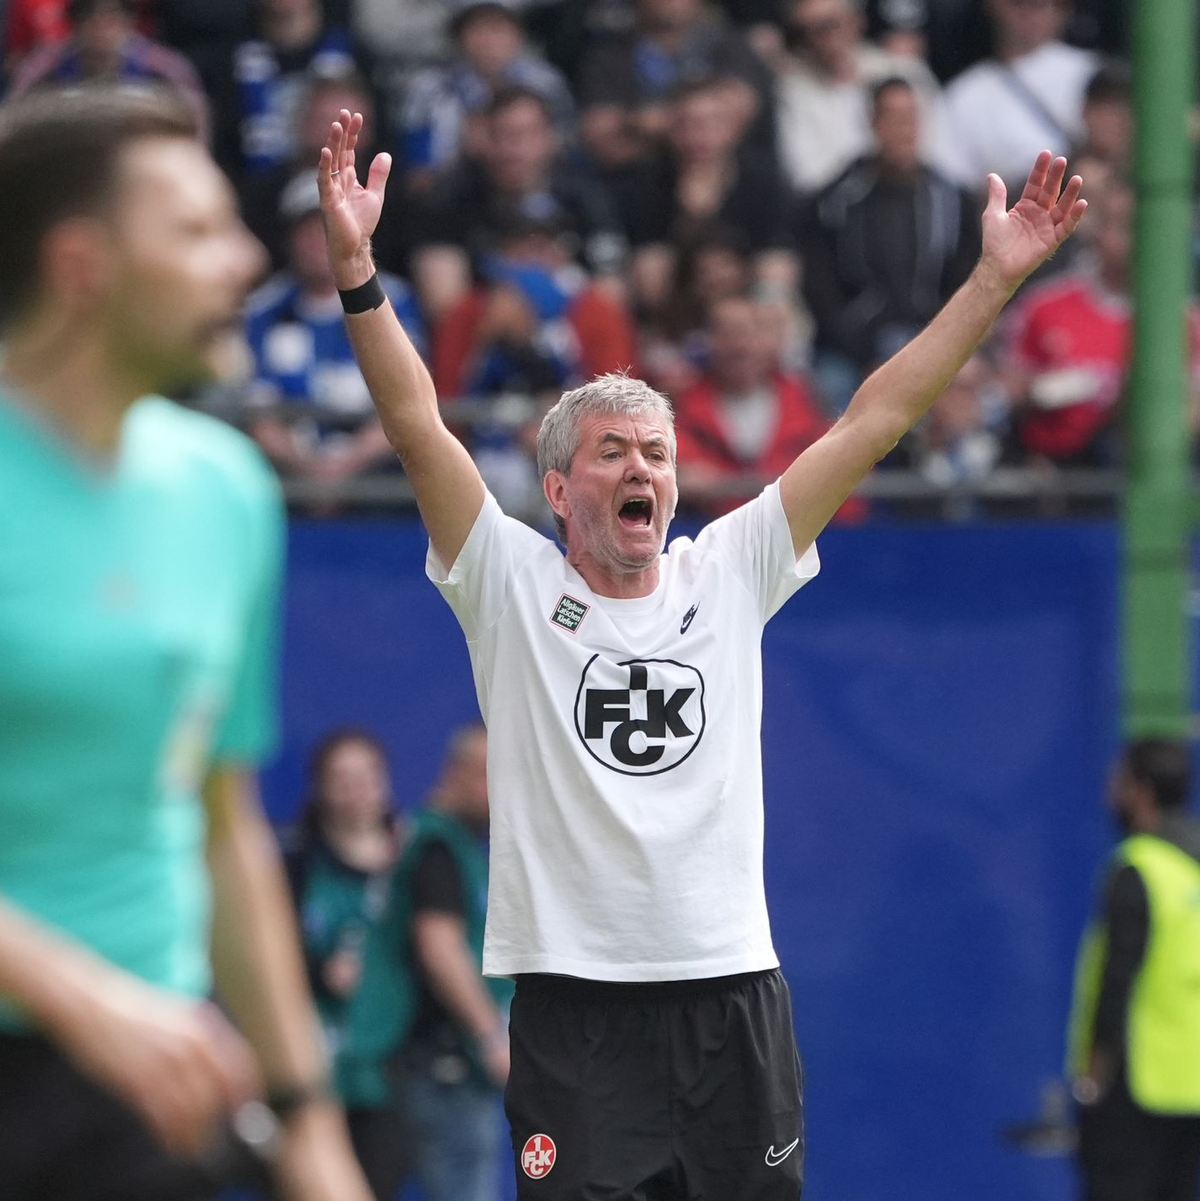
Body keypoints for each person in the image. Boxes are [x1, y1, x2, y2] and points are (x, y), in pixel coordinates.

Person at [318, 101, 1085, 1199]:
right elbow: (414, 423)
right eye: (615, 451)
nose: (646, 467)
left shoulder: (729, 567)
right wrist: (358, 272)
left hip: (733, 998)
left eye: (660, 452)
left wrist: (991, 283)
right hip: (573, 1011)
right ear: (557, 489)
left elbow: (873, 420)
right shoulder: (507, 580)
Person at [0, 85, 373, 1201]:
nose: (246, 262)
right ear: (82, 264)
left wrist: (309, 1122)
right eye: (199, 231)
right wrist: (75, 994)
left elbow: (223, 824)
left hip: (144, 1097)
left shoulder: (226, 493)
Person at [1067, 740, 1200, 1201]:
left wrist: (1093, 1075)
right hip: (1191, 1086)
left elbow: (1117, 977)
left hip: (1135, 1085)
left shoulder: (1139, 867)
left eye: (1116, 783)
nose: (1109, 796)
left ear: (1139, 792)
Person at [800, 75, 980, 413]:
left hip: (931, 341)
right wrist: (868, 356)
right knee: (829, 394)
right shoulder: (834, 201)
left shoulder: (952, 200)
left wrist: (938, 352)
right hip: (851, 349)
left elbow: (964, 284)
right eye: (893, 118)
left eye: (911, 118)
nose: (904, 129)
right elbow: (820, 291)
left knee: (974, 395)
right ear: (873, 123)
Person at [281, 729, 410, 1201]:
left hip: (393, 1073)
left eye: (366, 777)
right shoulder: (293, 863)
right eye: (341, 778)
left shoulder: (417, 860)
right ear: (319, 787)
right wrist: (318, 973)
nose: (355, 790)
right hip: (312, 1069)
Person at [244, 169, 422, 505]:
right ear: (288, 238)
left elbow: (412, 401)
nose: (317, 241)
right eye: (306, 230)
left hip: (374, 478)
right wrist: (310, 472)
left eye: (327, 227)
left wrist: (342, 467)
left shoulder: (393, 301)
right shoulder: (261, 310)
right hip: (288, 479)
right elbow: (258, 415)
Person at [397, 723, 513, 1201]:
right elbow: (440, 948)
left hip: (448, 1067)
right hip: (444, 1067)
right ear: (461, 773)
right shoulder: (437, 847)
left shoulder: (455, 847)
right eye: (495, 778)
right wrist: (491, 1036)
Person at [774, 0, 953, 195]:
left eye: (829, 24)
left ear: (856, 20)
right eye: (807, 31)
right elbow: (807, 178)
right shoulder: (791, 92)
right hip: (838, 211)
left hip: (916, 196)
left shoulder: (905, 72)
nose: (822, 38)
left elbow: (942, 155)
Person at [943, 0, 1096, 194]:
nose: (1033, 10)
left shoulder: (1092, 73)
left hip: (1080, 207)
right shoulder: (963, 94)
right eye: (1019, 3)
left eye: (1048, 3)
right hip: (1010, 211)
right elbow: (954, 183)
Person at [6, 0, 210, 139]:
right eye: (91, 18)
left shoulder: (164, 67)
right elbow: (12, 118)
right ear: (76, 23)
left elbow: (195, 125)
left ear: (129, 20)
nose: (102, 28)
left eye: (111, 18)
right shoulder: (44, 66)